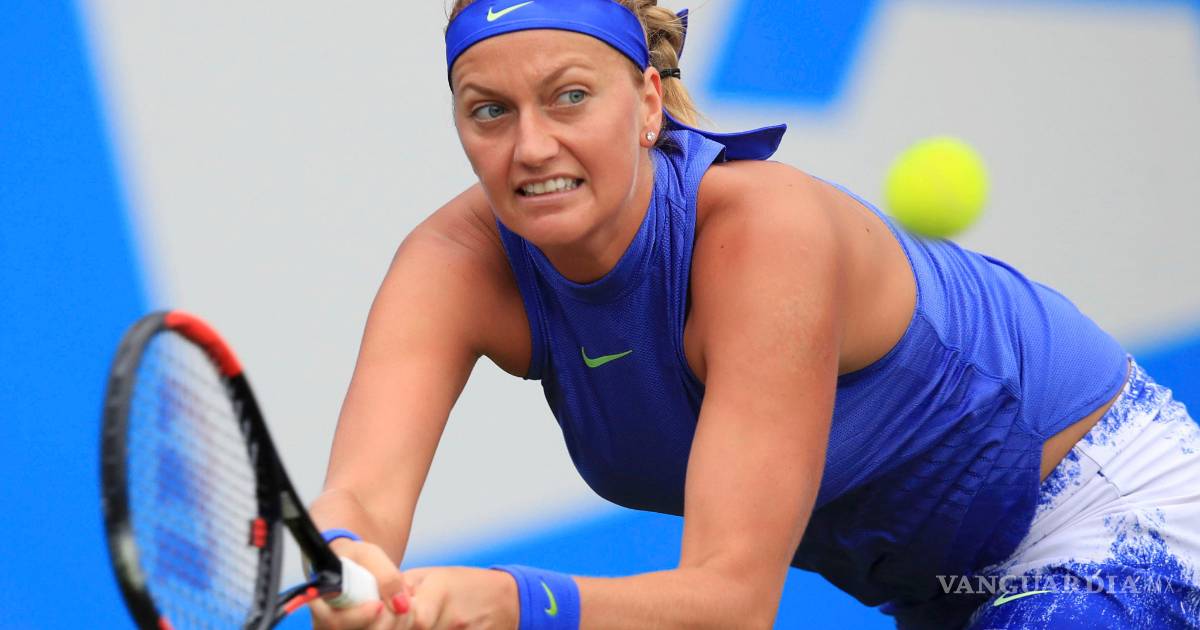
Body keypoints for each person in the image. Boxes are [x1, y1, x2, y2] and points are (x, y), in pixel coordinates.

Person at [306, 1, 1200, 628]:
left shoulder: (764, 235)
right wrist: (347, 556)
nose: (531, 146)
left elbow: (732, 603)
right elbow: (361, 498)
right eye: (489, 112)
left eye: (570, 96)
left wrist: (516, 603)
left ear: (646, 104)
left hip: (1108, 510)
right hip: (940, 590)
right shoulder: (451, 264)